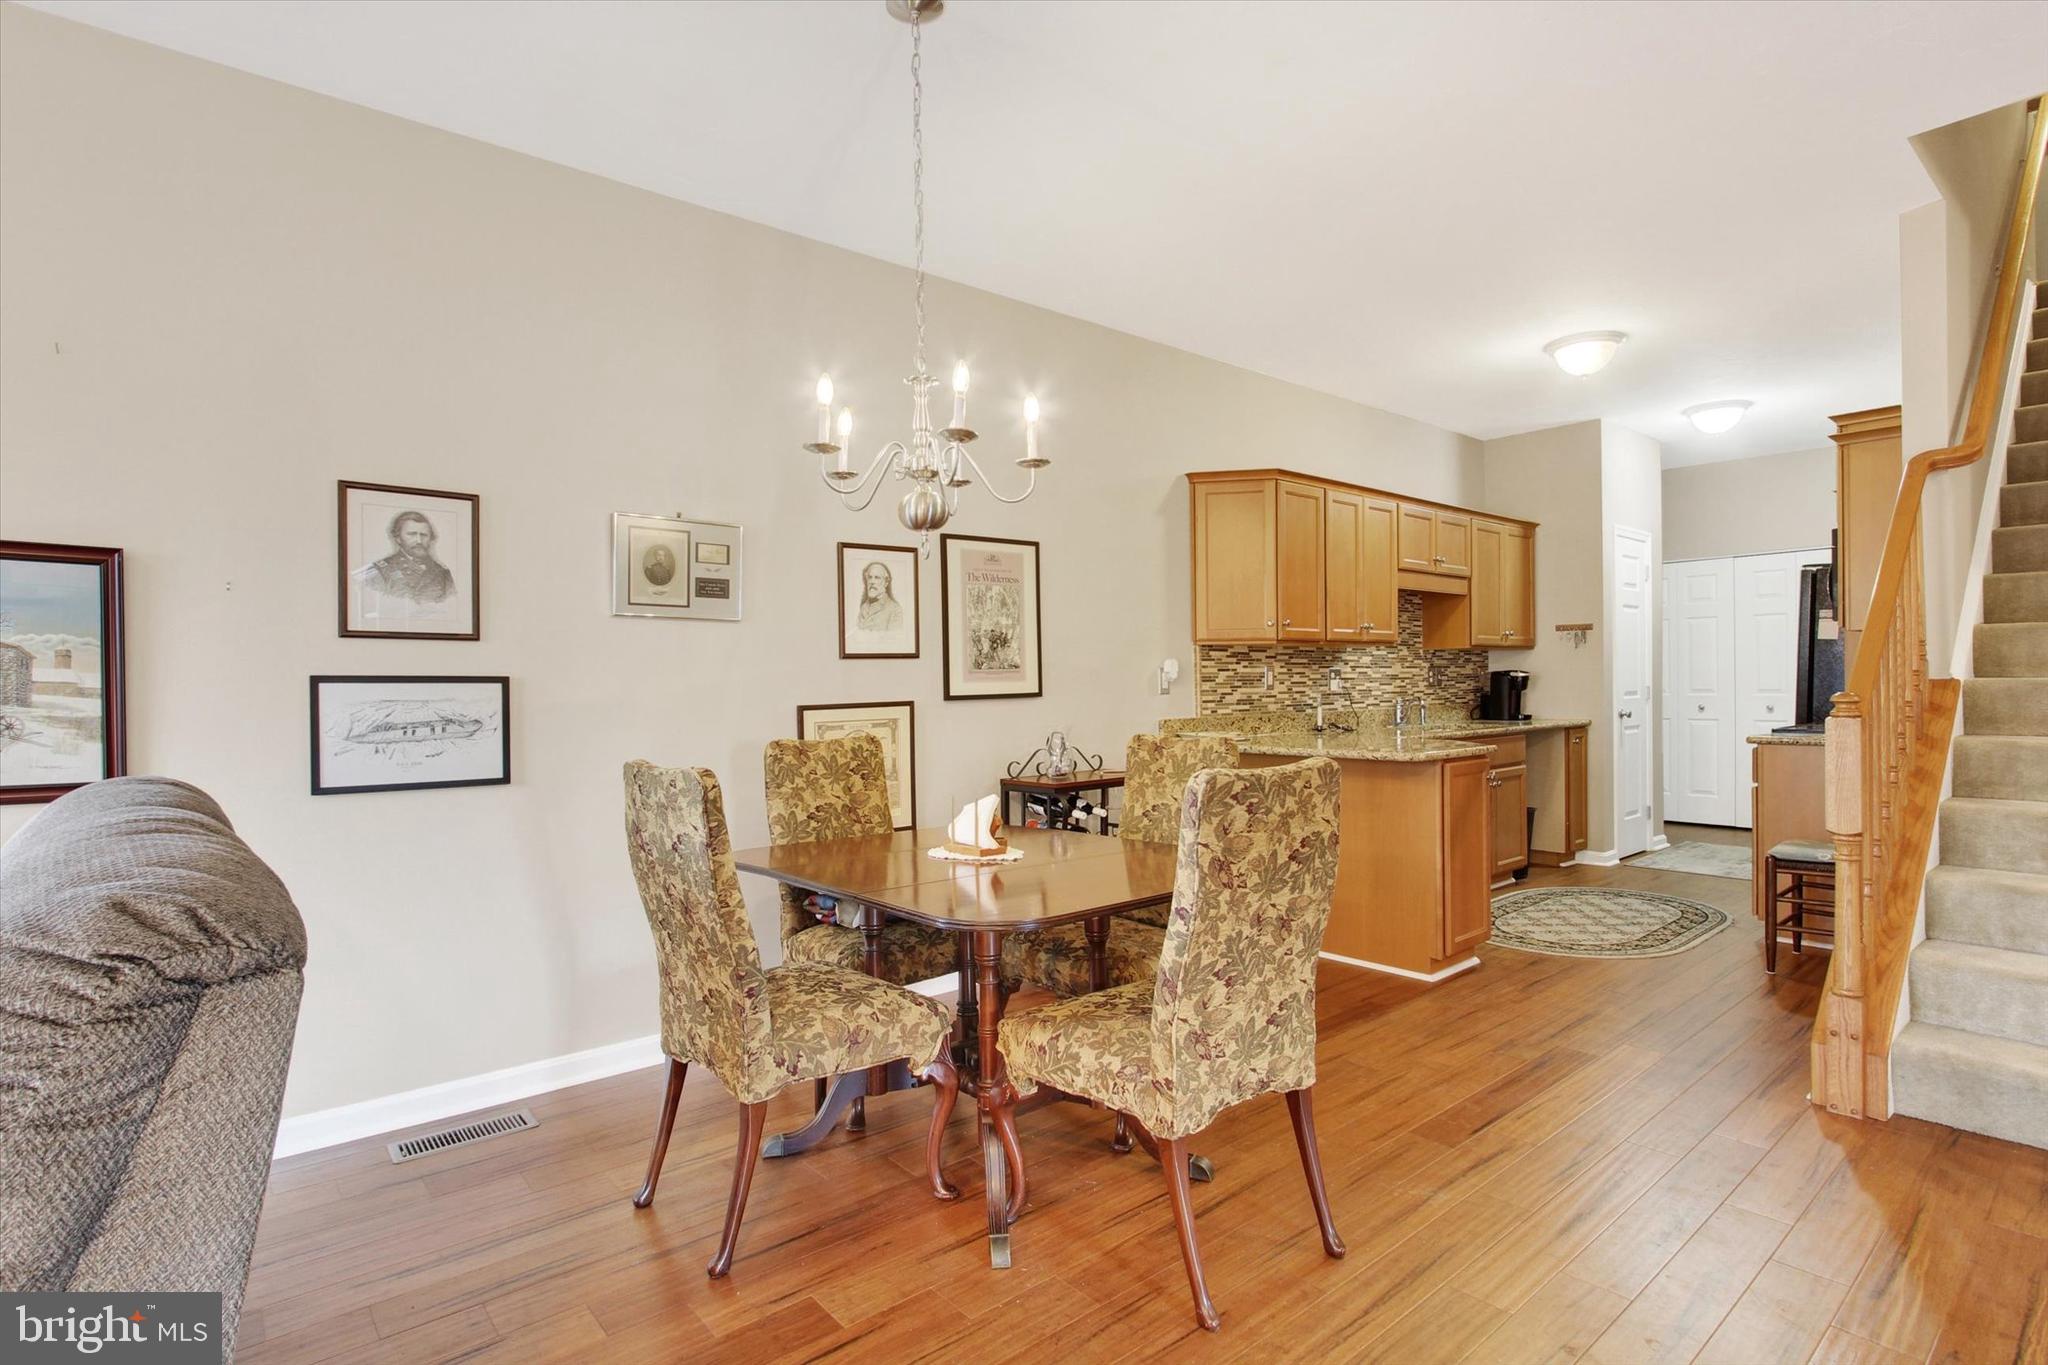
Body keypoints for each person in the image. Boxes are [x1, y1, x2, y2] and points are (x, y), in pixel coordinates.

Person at [363, 510, 455, 604]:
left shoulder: (443, 573)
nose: (419, 540)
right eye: (412, 534)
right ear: (398, 538)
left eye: (424, 535)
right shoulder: (379, 571)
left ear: (430, 539)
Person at [855, 560, 903, 634]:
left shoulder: (895, 609)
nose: (872, 581)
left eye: (877, 578)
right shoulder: (863, 607)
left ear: (886, 582)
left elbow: (894, 640)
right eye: (870, 577)